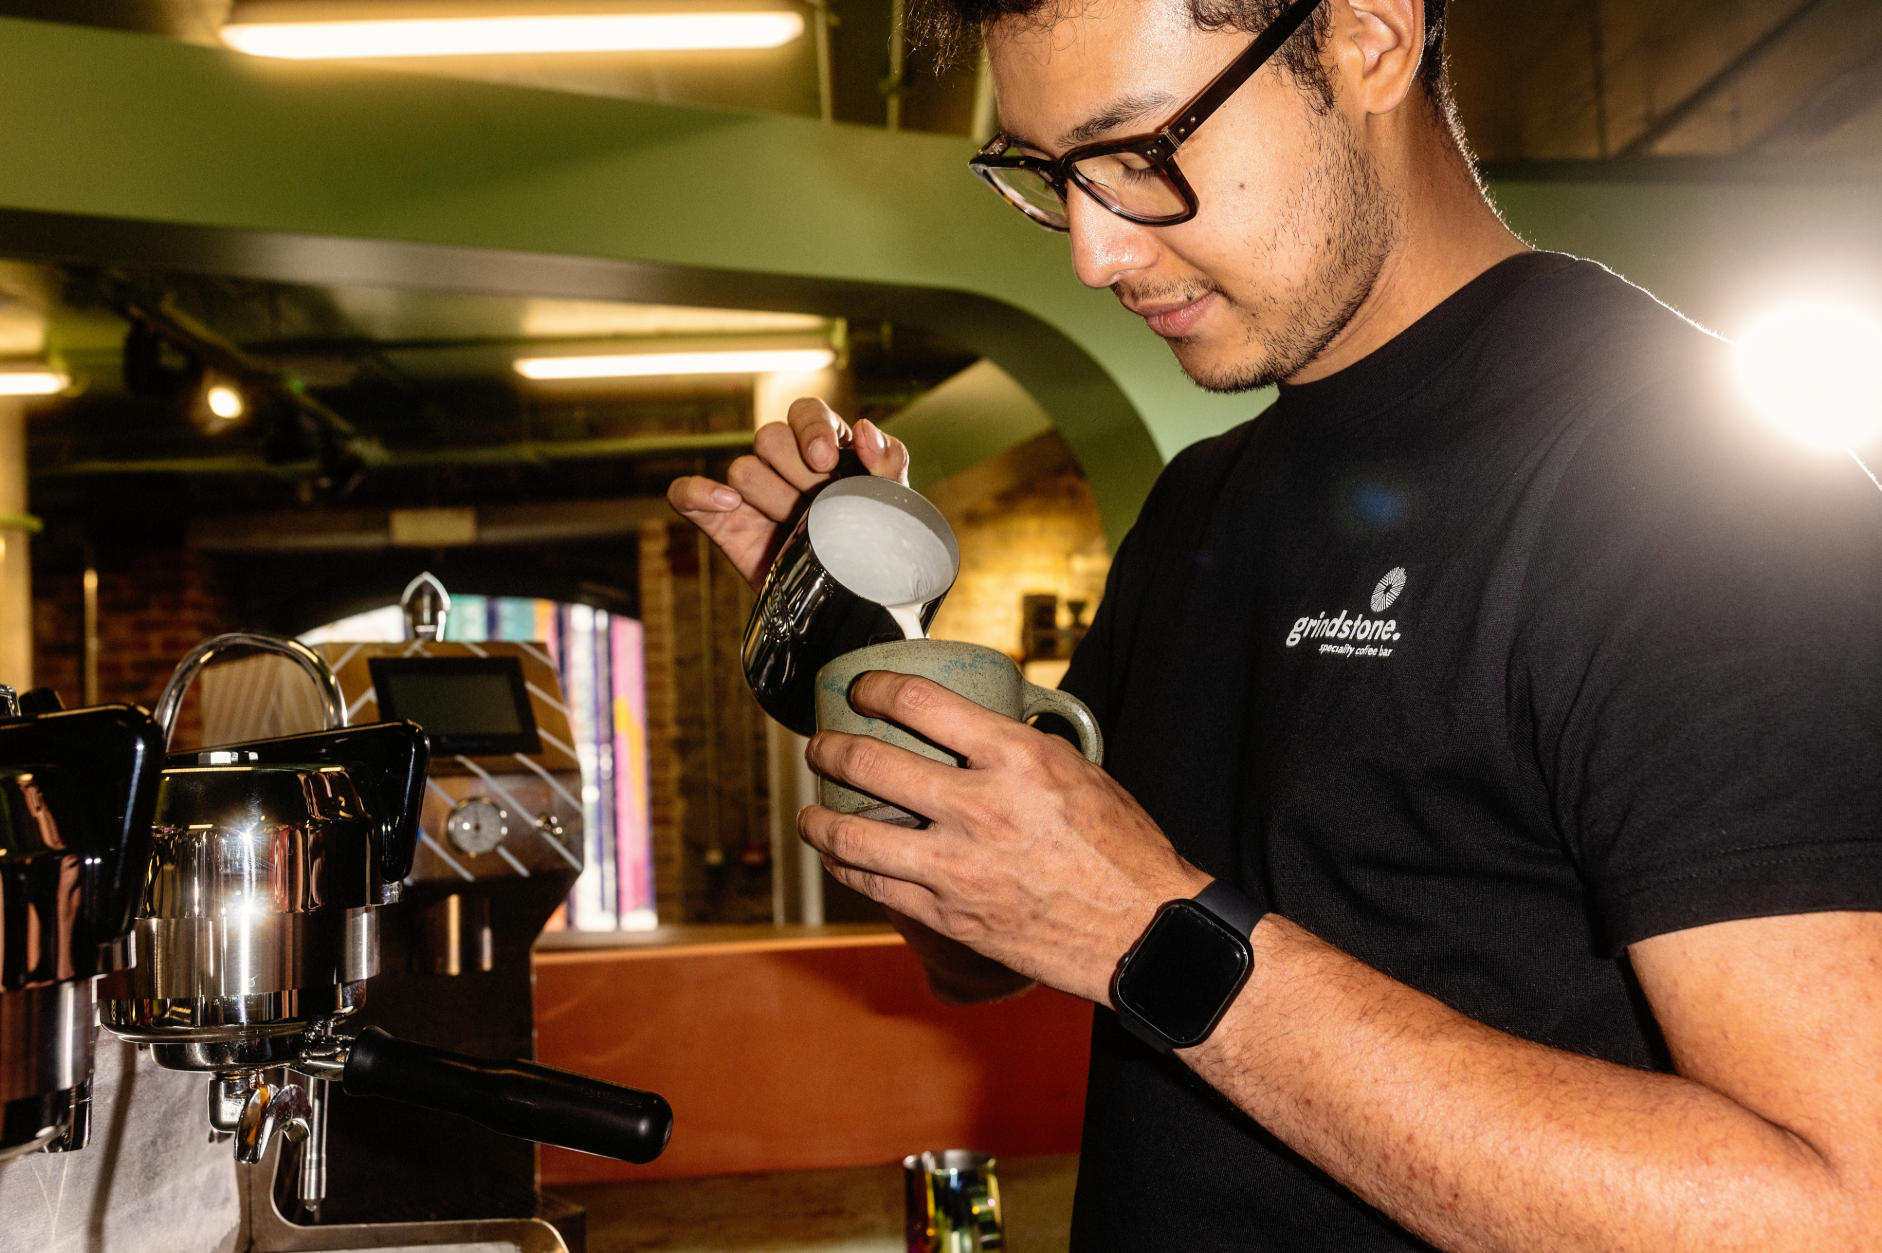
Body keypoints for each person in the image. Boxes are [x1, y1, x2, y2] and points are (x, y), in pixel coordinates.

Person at [669, 0, 1882, 1247]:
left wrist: (1158, 938)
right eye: (1050, 176)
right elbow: (980, 950)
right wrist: (853, 655)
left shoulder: (1708, 488)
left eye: (1140, 152)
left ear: (1366, 38)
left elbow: (1832, 1209)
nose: (1092, 251)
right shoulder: (1202, 499)